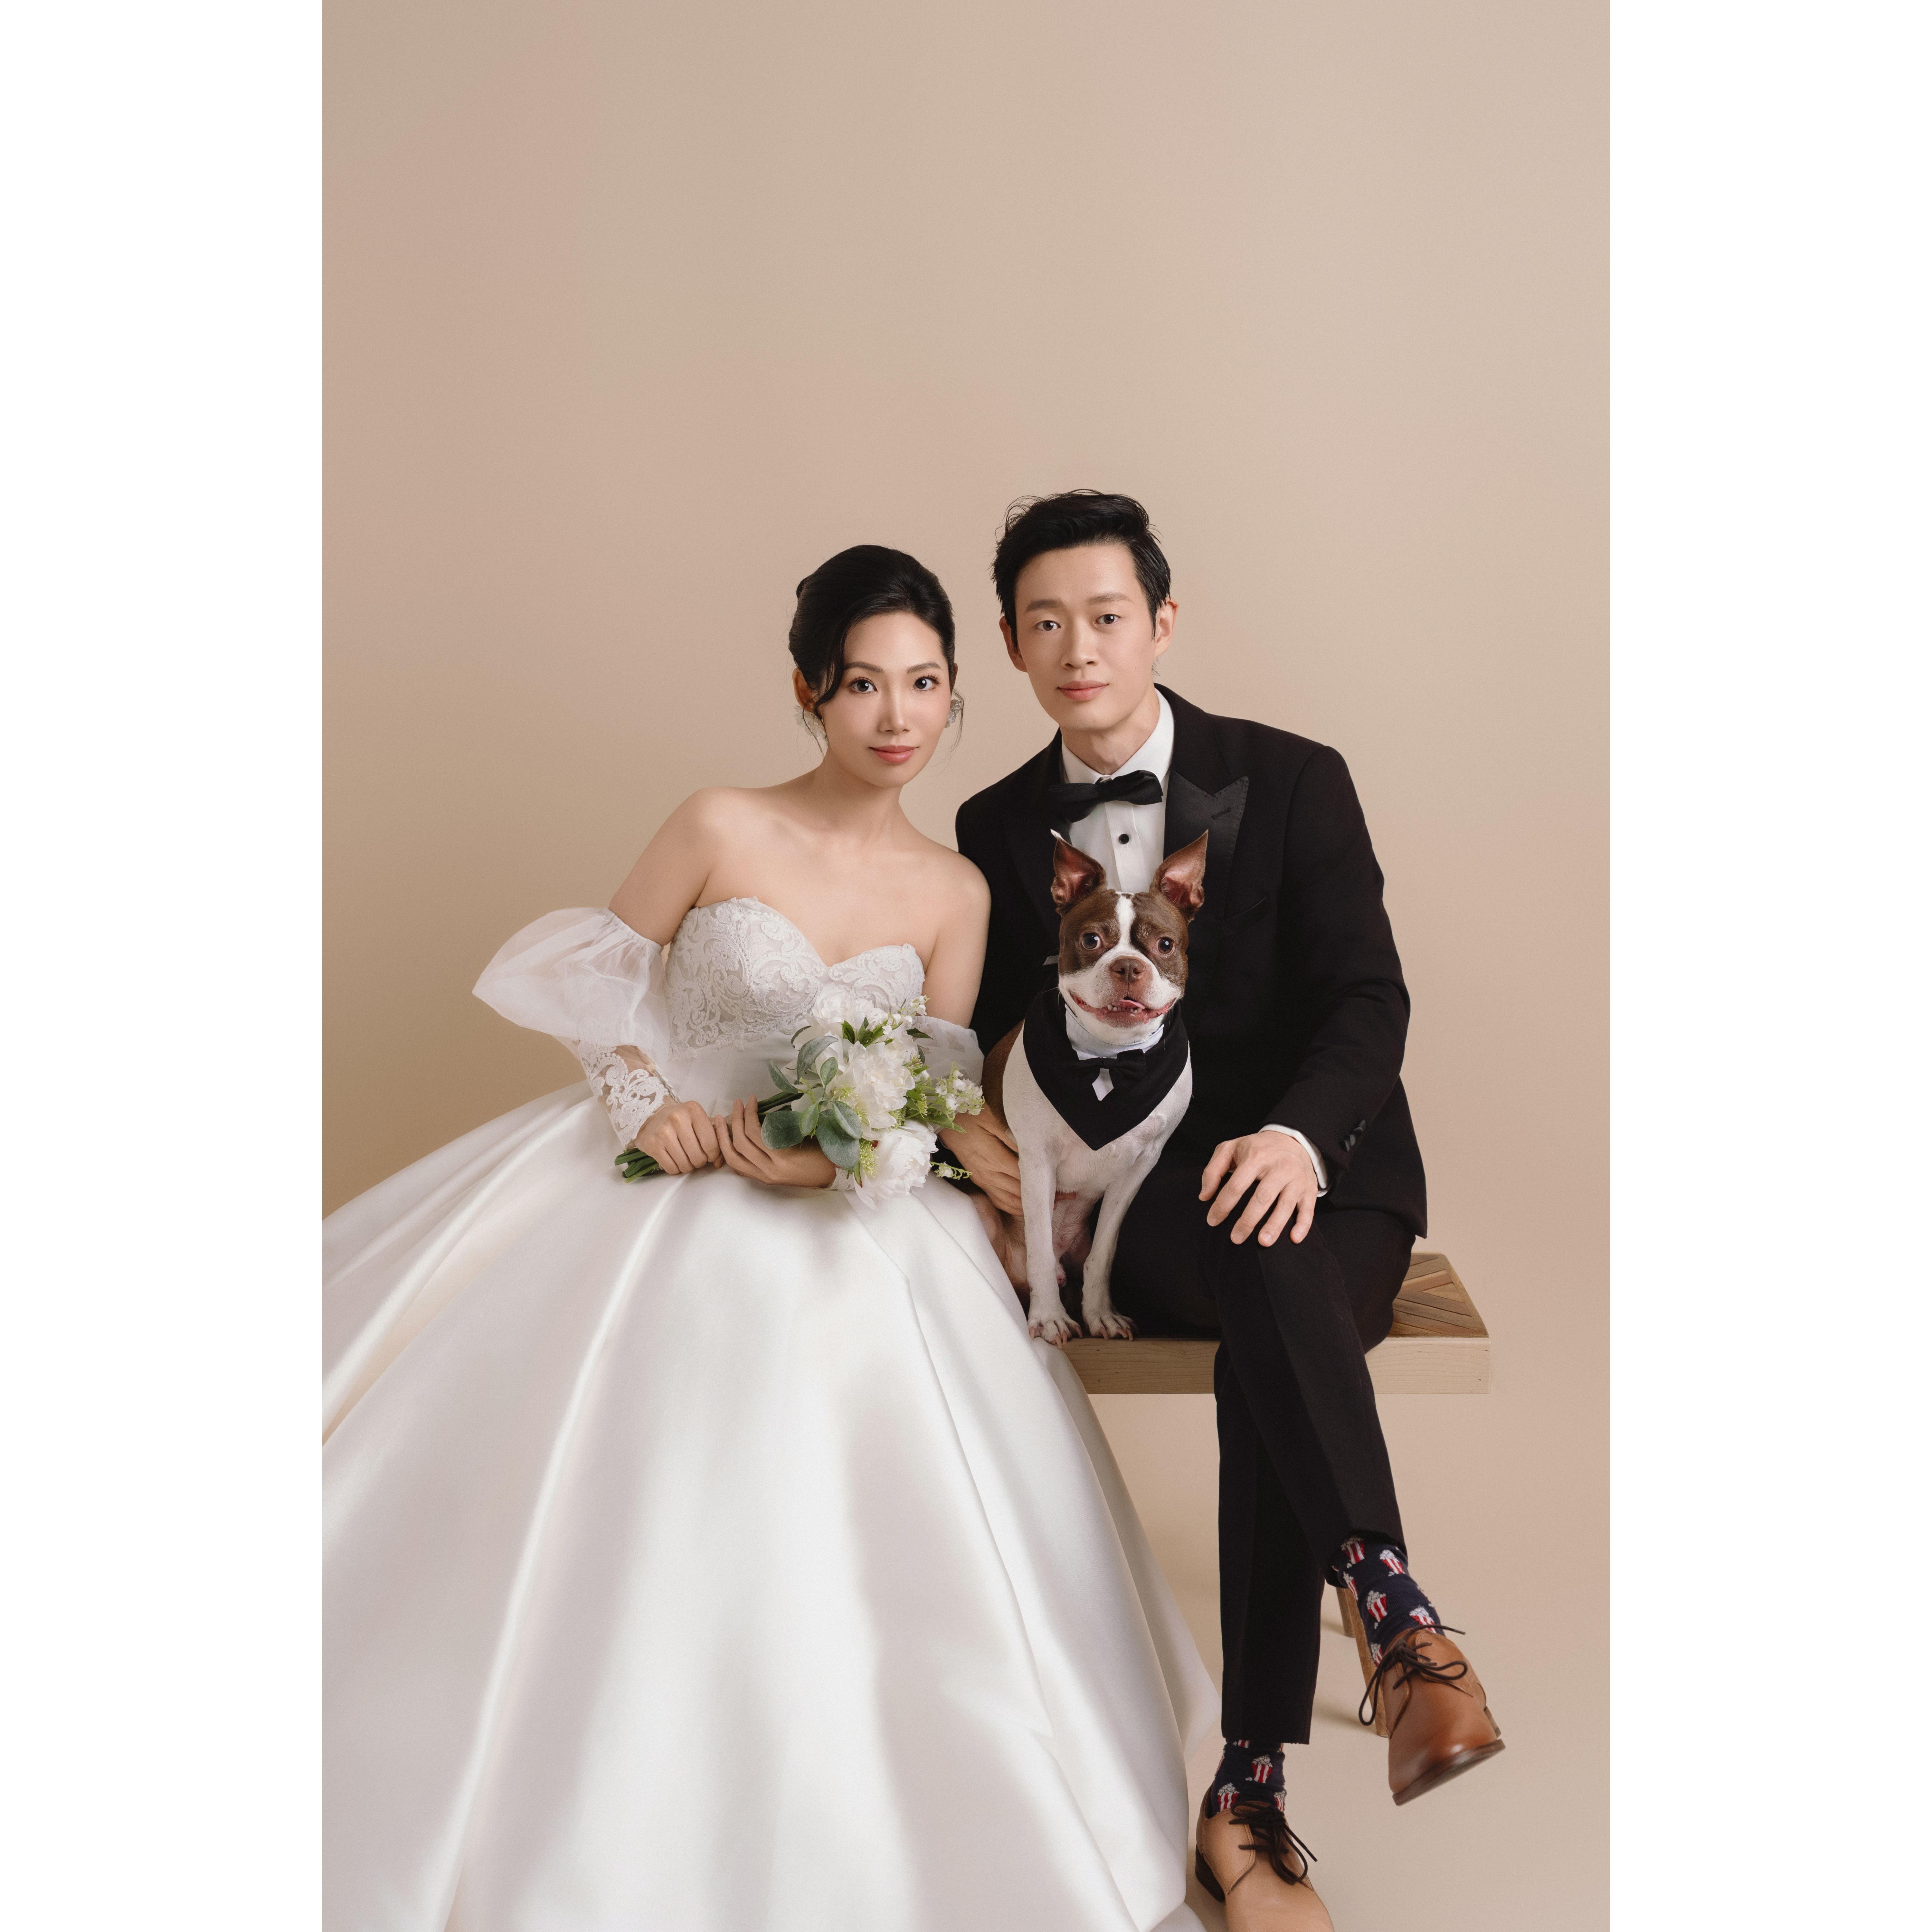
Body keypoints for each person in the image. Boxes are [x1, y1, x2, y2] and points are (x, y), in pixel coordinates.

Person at [323, 545, 1216, 1932]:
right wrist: (649, 1105)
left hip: (849, 1204)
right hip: (660, 1166)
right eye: (863, 684)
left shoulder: (957, 890)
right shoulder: (719, 823)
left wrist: (830, 1154)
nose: (896, 715)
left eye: (925, 683)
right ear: (809, 691)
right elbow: (594, 982)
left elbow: (934, 1080)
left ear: (955, 692)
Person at [947, 494, 1505, 1931]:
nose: (1080, 648)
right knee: (1254, 1267)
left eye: (1107, 616)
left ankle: (1254, 1788)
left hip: (1333, 1173)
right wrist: (979, 1142)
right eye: (1046, 623)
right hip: (1148, 1199)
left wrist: (1301, 1138)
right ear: (1012, 646)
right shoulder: (994, 825)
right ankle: (1395, 1630)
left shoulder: (1297, 778)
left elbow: (1369, 994)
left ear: (1163, 623)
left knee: (1274, 1252)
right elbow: (999, 1031)